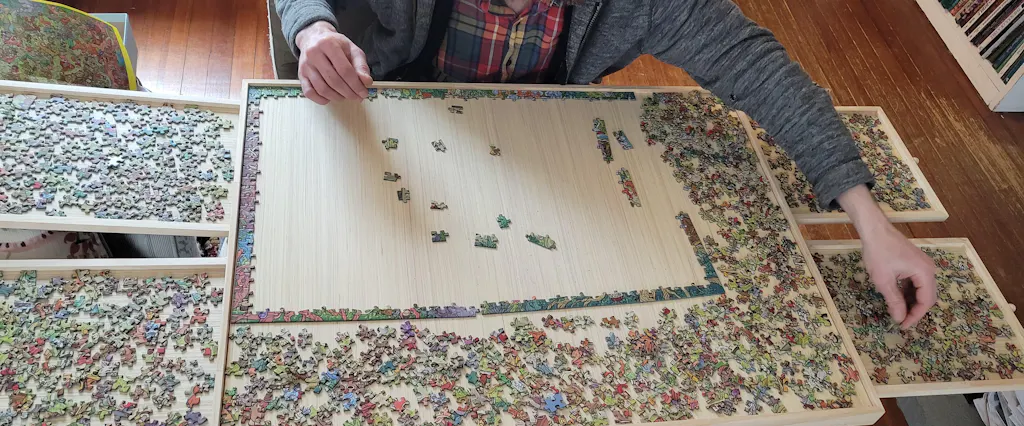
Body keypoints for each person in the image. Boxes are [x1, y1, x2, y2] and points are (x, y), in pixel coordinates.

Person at [276, 0, 937, 328]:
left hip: (540, 150)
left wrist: (869, 220)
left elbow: (753, 65)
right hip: (397, 126)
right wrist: (314, 27)